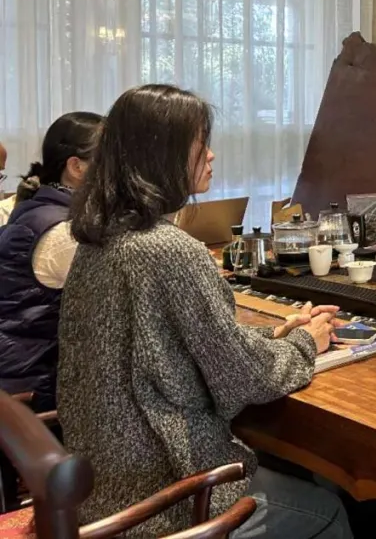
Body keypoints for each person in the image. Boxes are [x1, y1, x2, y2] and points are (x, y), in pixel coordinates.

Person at [58, 84, 352, 538]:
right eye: (200, 144)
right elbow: (243, 378)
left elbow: (181, 343)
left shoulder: (100, 236)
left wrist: (274, 334)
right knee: (329, 509)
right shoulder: (167, 249)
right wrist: (304, 343)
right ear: (161, 154)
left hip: (101, 481)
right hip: (162, 492)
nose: (211, 155)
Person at [0, 111, 103, 412]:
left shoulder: (36, 209)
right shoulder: (64, 232)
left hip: (19, 379)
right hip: (37, 393)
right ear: (76, 167)